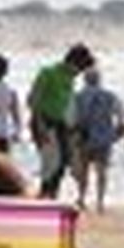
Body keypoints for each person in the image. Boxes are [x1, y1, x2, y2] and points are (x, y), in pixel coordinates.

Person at [27, 45, 93, 199]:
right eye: (80, 68)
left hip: (60, 124)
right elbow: (33, 100)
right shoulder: (48, 73)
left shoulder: (70, 79)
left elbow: (66, 106)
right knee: (51, 161)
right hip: (43, 120)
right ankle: (44, 194)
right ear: (72, 62)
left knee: (64, 160)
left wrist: (73, 128)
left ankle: (51, 194)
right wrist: (40, 124)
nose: (80, 73)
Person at [67, 67, 124, 214]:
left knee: (83, 171)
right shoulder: (110, 96)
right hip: (103, 138)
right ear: (99, 79)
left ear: (85, 80)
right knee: (102, 171)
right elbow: (121, 114)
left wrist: (71, 137)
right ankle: (100, 201)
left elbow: (71, 118)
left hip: (84, 138)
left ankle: (81, 198)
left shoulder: (78, 96)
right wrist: (118, 132)